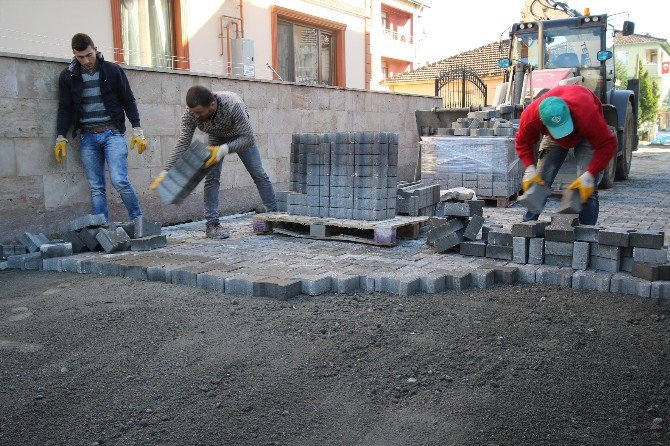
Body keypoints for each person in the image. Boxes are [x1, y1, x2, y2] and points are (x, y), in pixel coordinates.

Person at [151, 86, 277, 239]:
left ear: (212, 104)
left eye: (199, 112)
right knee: (212, 178)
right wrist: (167, 172)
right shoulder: (191, 113)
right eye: (194, 112)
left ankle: (273, 217)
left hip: (240, 136)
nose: (196, 116)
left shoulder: (232, 105)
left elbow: (248, 138)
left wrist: (223, 150)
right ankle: (212, 225)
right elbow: (183, 142)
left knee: (259, 174)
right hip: (216, 137)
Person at [55, 33, 147, 222]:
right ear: (74, 54)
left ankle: (138, 221)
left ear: (95, 49)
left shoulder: (112, 71)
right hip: (88, 137)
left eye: (89, 55)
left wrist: (137, 129)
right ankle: (101, 229)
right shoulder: (68, 76)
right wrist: (60, 136)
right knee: (96, 187)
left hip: (112, 134)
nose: (86, 60)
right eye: (80, 57)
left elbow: (128, 100)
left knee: (119, 180)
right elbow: (65, 107)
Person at [515, 84, 617, 225]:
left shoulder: (587, 113)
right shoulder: (531, 117)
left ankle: (587, 234)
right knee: (540, 181)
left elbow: (607, 144)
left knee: (587, 188)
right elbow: (522, 142)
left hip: (585, 132)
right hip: (553, 135)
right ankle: (526, 228)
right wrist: (529, 168)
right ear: (542, 122)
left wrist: (590, 174)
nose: (565, 136)